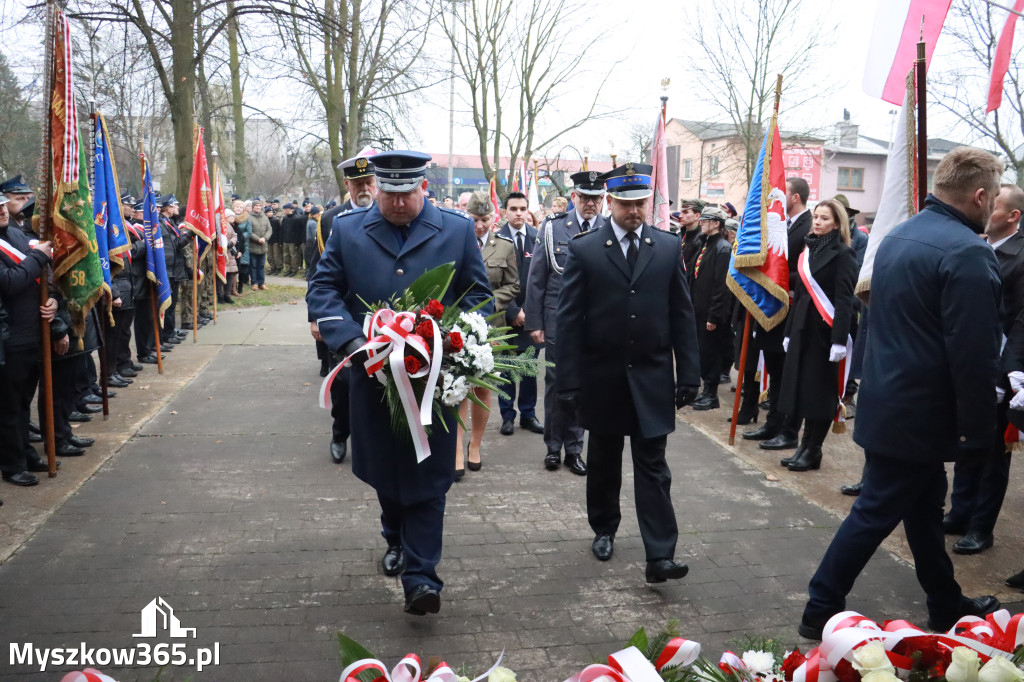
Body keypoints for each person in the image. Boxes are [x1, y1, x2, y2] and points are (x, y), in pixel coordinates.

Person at [798, 147, 1005, 639]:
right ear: (979, 195)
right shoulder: (968, 251)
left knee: (924, 507)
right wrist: (982, 429)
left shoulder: (898, 235)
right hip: (923, 413)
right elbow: (973, 352)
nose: (994, 203)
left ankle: (945, 601)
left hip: (889, 400)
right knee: (875, 511)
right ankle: (820, 605)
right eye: (994, 196)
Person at [306, 150, 492, 615]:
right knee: (387, 474)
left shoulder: (456, 229)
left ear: (423, 187)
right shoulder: (349, 231)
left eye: (407, 193)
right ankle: (394, 537)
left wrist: (458, 339)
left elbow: (479, 297)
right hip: (372, 378)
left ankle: (422, 576)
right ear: (377, 189)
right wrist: (350, 341)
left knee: (430, 478)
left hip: (436, 379)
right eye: (389, 194)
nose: (398, 204)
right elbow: (323, 290)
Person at [557, 162, 701, 582]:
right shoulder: (585, 249)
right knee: (603, 459)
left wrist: (689, 373)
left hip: (652, 376)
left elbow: (681, 315)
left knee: (653, 465)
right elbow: (569, 321)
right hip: (602, 378)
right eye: (625, 204)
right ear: (610, 203)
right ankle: (604, 527)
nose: (634, 212)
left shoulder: (668, 246)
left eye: (640, 203)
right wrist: (568, 381)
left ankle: (660, 554)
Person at [946, 183, 1024, 555]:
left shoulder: (1020, 256)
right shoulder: (976, 246)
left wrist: (1003, 374)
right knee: (966, 443)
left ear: (1013, 216)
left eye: (996, 206)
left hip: (1002, 369)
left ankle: (981, 526)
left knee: (994, 454)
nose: (987, 209)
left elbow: (1018, 321)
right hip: (971, 364)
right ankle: (959, 512)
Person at [525, 170, 607, 475]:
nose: (590, 203)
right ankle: (553, 447)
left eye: (596, 198)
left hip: (594, 321)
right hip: (557, 315)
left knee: (584, 384)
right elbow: (537, 278)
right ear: (574, 197)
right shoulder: (553, 228)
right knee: (557, 383)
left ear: (603, 200)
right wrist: (534, 321)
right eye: (584, 197)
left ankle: (575, 449)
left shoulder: (609, 229)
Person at [775, 199, 857, 472]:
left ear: (837, 223)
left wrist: (838, 339)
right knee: (802, 391)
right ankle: (803, 445)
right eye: (816, 217)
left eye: (824, 218)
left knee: (819, 395)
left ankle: (814, 449)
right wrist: (788, 331)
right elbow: (798, 297)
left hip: (824, 334)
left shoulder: (843, 253)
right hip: (801, 330)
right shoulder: (807, 250)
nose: (818, 222)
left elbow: (845, 300)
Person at [313, 152, 379, 464]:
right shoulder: (330, 220)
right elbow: (318, 273)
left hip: (382, 317)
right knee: (342, 384)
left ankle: (375, 440)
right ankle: (340, 433)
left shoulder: (387, 213)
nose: (364, 188)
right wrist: (316, 318)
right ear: (347, 185)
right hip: (343, 315)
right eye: (358, 183)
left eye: (369, 182)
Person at [743, 177, 812, 449]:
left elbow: (807, 270)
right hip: (774, 308)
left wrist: (774, 276)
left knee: (789, 373)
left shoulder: (808, 227)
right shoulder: (784, 225)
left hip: (794, 309)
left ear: (795, 198)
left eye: (784, 195)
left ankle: (788, 429)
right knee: (775, 370)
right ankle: (773, 424)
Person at [456, 191, 518, 479]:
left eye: (484, 219)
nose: (479, 225)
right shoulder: (454, 242)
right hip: (457, 327)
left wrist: (489, 303)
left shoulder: (504, 247)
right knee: (456, 387)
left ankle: (475, 445)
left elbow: (513, 285)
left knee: (482, 387)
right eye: (474, 218)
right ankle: (456, 446)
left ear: (494, 218)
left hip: (491, 326)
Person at [0, 194, 58, 486]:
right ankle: (12, 464)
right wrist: (39, 256)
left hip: (34, 331)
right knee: (8, 405)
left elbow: (42, 277)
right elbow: (10, 282)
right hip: (9, 337)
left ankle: (26, 453)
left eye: (1, 205)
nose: (1, 211)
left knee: (24, 400)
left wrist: (54, 302)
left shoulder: (14, 234)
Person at [496, 191, 543, 437]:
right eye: (513, 209)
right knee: (505, 368)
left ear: (528, 211)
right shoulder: (496, 240)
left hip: (531, 315)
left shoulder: (538, 238)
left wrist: (530, 313)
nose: (518, 213)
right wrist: (513, 310)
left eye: (522, 209)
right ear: (505, 212)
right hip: (504, 315)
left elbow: (542, 280)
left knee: (528, 368)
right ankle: (506, 415)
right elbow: (494, 281)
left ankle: (528, 414)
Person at [689, 206, 734, 411]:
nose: (701, 223)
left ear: (717, 223)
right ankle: (704, 389)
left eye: (706, 220)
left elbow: (720, 285)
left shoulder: (722, 248)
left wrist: (714, 315)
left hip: (711, 312)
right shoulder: (704, 243)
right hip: (698, 308)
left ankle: (711, 393)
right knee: (701, 351)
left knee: (711, 352)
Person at [248, 200, 272, 290]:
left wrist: (265, 238)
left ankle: (262, 283)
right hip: (253, 246)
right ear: (253, 207)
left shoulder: (264, 217)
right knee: (253, 265)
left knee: (261, 265)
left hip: (263, 246)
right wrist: (258, 239)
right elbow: (249, 231)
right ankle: (254, 283)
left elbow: (269, 229)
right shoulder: (249, 217)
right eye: (256, 206)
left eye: (259, 206)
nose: (258, 207)